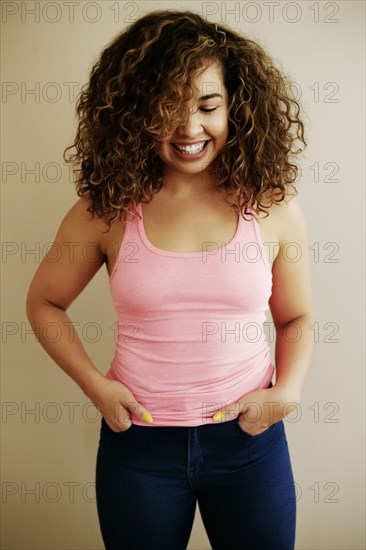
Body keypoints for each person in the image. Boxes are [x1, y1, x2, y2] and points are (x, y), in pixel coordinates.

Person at [26, 9, 313, 550]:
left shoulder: (272, 205)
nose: (188, 128)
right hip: (140, 449)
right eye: (167, 109)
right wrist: (96, 387)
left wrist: (289, 393)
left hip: (249, 442)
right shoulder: (107, 208)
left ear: (236, 107)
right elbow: (44, 303)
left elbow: (296, 317)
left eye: (208, 106)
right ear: (137, 114)